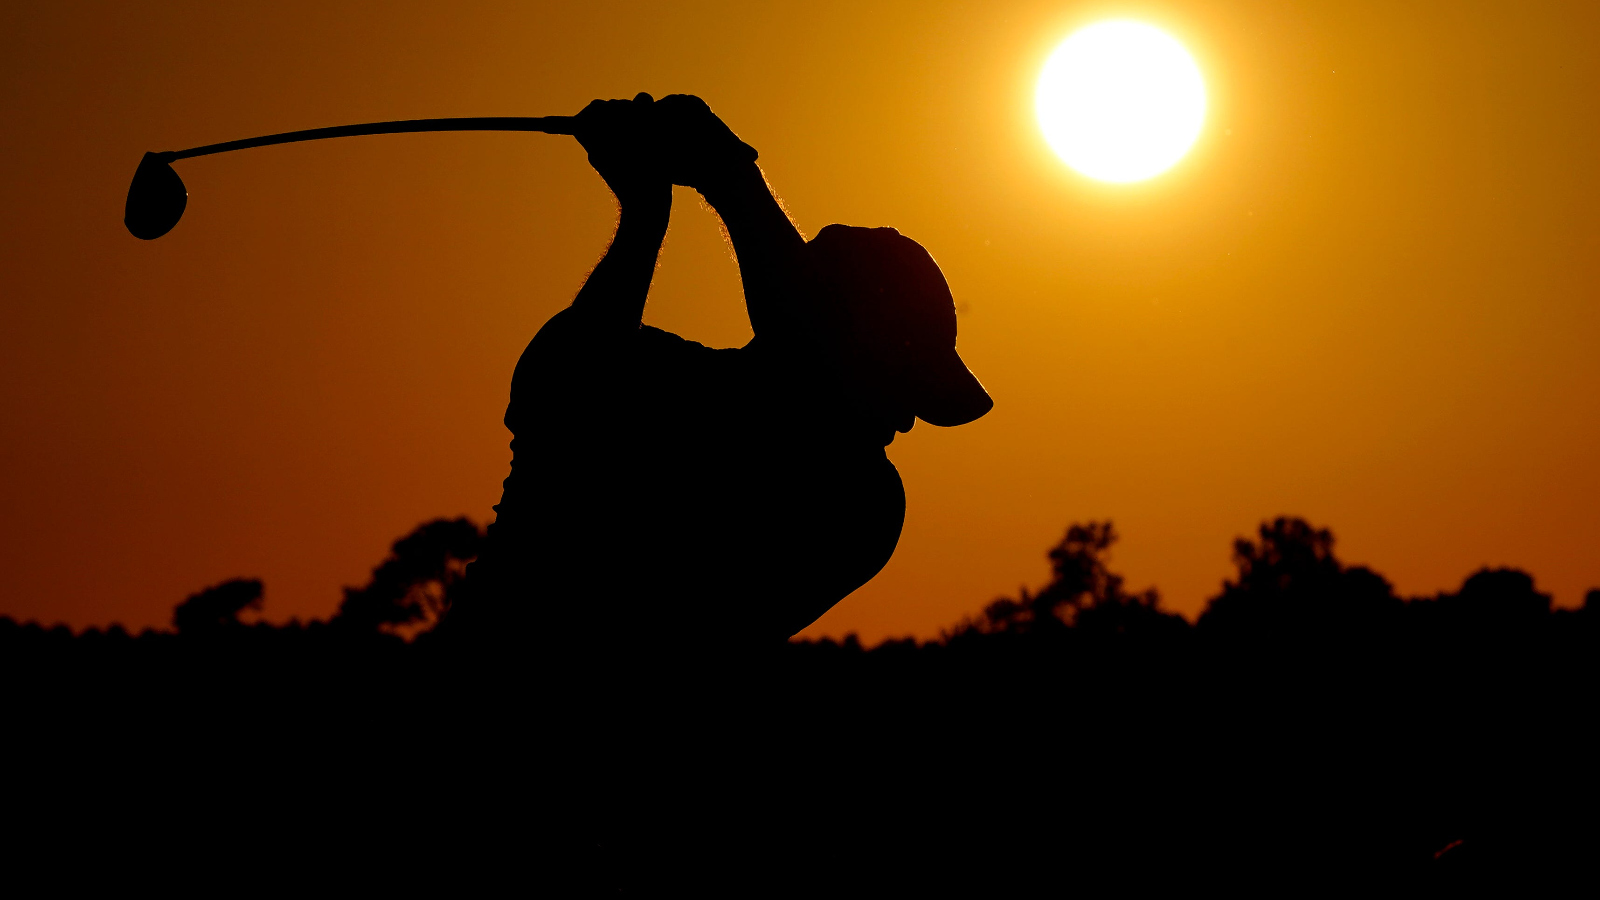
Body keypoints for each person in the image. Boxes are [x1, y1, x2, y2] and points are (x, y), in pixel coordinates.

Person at [446, 93, 991, 657]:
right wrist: (650, 210)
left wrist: (725, 177)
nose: (906, 418)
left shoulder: (863, 504)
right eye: (900, 380)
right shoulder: (664, 376)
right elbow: (561, 382)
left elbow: (804, 358)